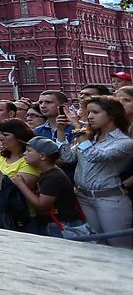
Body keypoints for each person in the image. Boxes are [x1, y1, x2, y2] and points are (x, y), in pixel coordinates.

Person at [59, 96, 133, 248]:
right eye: (88, 112)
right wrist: (61, 133)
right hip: (83, 196)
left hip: (109, 199)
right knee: (98, 243)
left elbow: (93, 156)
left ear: (111, 114)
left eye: (95, 112)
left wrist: (77, 128)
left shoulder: (124, 142)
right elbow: (67, 157)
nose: (90, 116)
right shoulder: (90, 138)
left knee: (119, 245)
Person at [15, 137, 88, 238]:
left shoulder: (53, 178)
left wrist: (20, 184)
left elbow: (41, 204)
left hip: (62, 225)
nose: (24, 153)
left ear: (42, 156)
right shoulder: (47, 173)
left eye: (29, 151)